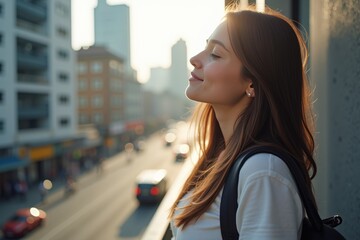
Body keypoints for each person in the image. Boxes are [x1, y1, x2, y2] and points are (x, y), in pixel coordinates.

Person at [169, 4, 317, 240]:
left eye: (215, 54)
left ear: (252, 83)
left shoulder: (263, 172)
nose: (195, 59)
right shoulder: (221, 156)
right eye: (205, 47)